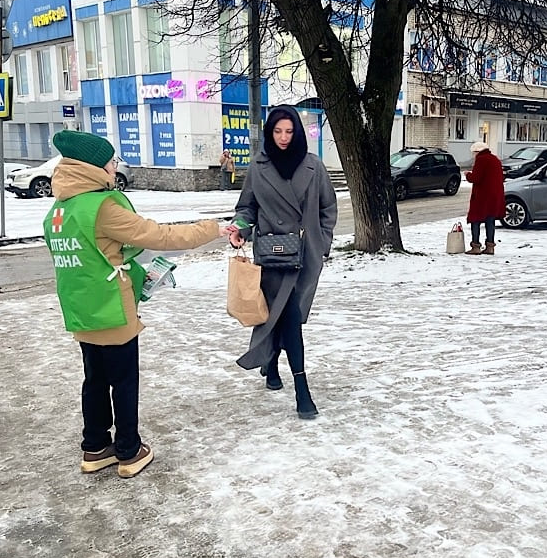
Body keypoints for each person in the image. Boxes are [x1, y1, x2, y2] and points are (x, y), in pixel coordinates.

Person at [43, 129, 226, 478]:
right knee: (124, 381)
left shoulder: (61, 208)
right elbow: (160, 236)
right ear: (94, 167)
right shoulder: (103, 207)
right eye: (111, 162)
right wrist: (212, 229)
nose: (115, 168)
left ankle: (95, 447)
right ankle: (129, 450)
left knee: (94, 379)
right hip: (112, 308)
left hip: (81, 308)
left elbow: (92, 253)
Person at [222, 105, 338, 419]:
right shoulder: (259, 167)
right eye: (277, 131)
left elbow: (328, 208)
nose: (283, 138)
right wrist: (240, 229)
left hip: (304, 255)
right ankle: (303, 391)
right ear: (269, 132)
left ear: (297, 132)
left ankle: (271, 362)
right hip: (273, 255)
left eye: (289, 131)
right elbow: (247, 207)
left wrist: (321, 243)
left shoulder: (313, 166)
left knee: (285, 314)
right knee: (287, 317)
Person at [464, 141, 505, 255]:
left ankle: (475, 246)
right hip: (494, 195)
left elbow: (476, 178)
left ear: (477, 151)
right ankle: (490, 246)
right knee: (490, 220)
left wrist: (468, 174)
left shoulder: (481, 160)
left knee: (475, 219)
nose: (473, 156)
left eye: (474, 153)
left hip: (482, 196)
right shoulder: (495, 159)